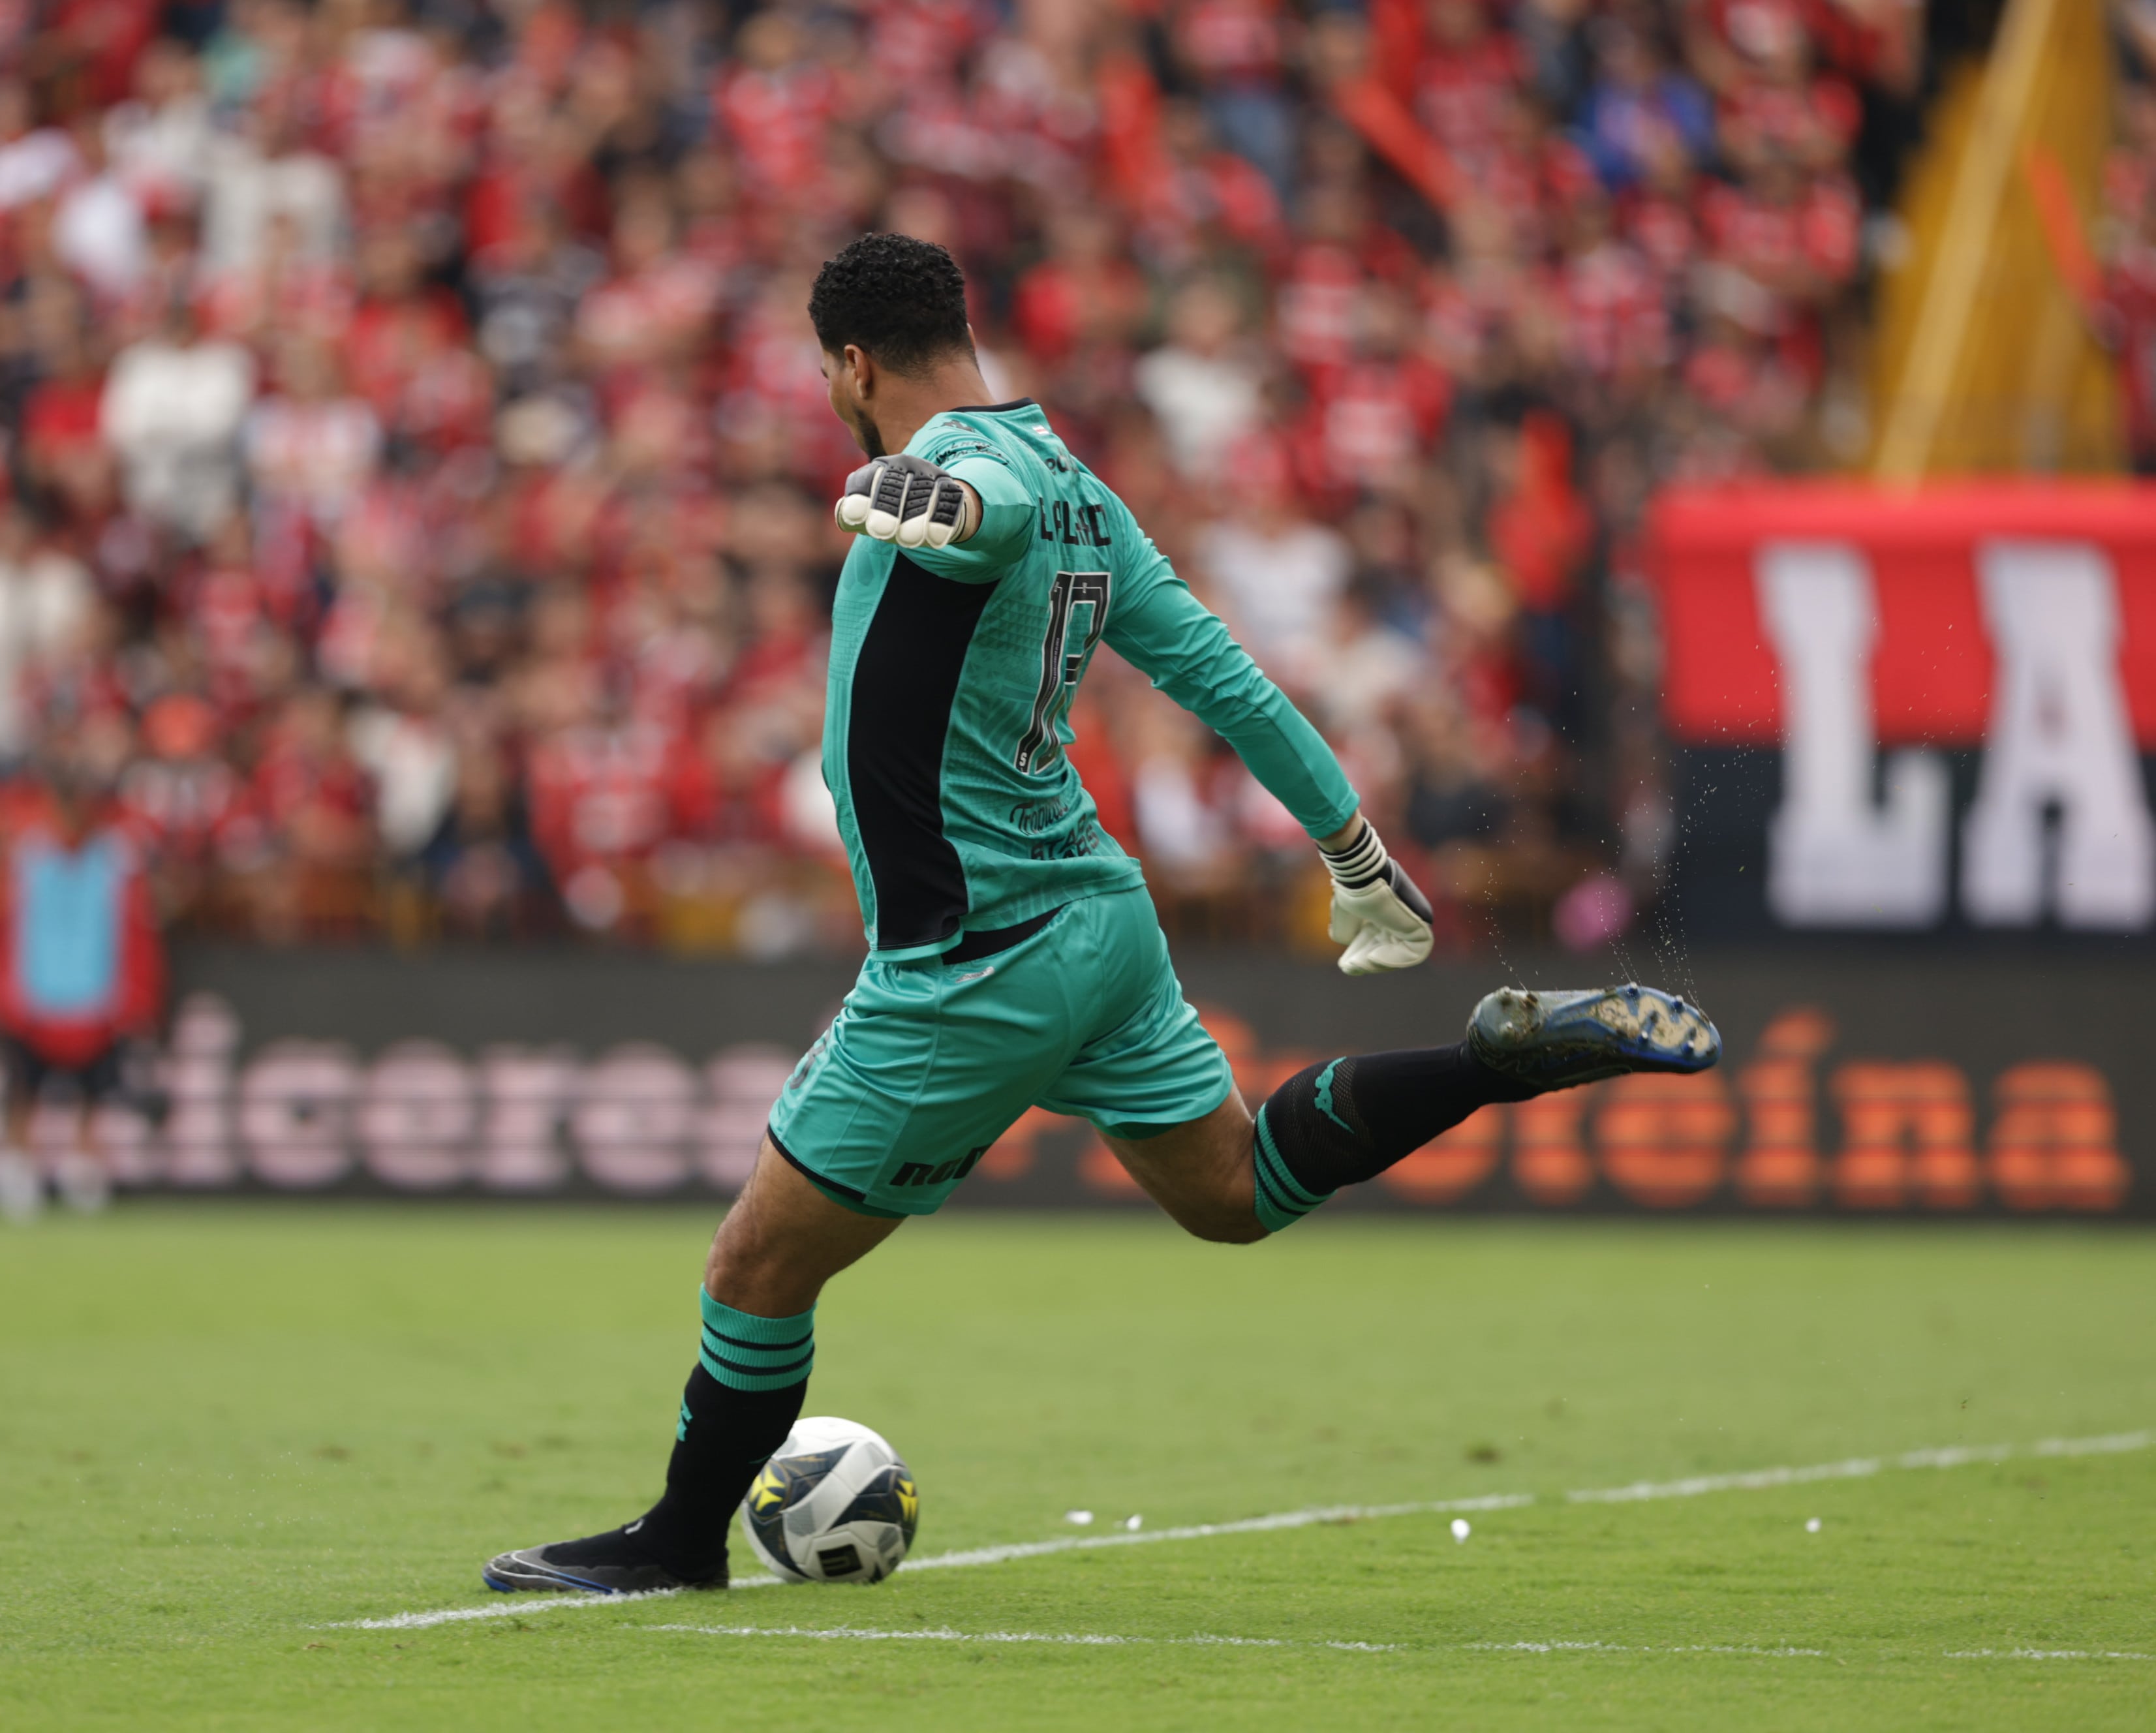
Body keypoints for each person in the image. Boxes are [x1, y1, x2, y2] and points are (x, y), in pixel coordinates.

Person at [481, 234, 1719, 1596]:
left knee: (757, 1260)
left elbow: (980, 502)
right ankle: (1484, 1059)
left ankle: (676, 1539)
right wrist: (1355, 851)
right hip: (1102, 921)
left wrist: (940, 503)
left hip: (973, 960)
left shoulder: (986, 478)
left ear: (851, 364)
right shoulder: (1084, 489)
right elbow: (1229, 678)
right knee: (1237, 1190)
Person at [0, 758, 162, 1193]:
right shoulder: (25, 854)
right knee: (23, 1094)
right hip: (34, 999)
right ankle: (18, 1171)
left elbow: (138, 931)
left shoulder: (119, 858)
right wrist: (1, 993)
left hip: (96, 1000)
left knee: (93, 1097)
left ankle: (85, 1171)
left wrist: (138, 997)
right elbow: (2, 927)